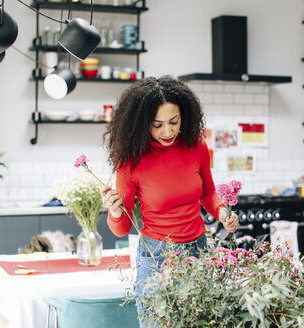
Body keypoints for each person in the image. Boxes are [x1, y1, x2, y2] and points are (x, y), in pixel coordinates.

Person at [100, 75, 239, 326]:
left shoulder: (196, 145)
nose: (168, 131)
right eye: (157, 125)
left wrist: (223, 214)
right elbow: (121, 228)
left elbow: (208, 194)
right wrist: (115, 211)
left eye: (174, 122)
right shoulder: (131, 160)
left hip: (198, 250)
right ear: (142, 124)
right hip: (156, 257)